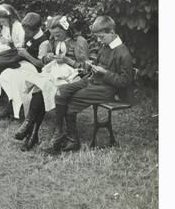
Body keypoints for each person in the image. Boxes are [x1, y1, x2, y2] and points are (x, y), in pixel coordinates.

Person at [44, 16, 134, 153]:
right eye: (97, 37)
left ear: (111, 32)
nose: (98, 40)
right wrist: (91, 65)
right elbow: (98, 65)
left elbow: (125, 82)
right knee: (61, 91)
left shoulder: (122, 52)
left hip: (106, 89)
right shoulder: (105, 46)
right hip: (92, 80)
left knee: (71, 101)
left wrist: (104, 72)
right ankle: (59, 133)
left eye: (101, 37)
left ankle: (72, 140)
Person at [10, 12, 50, 150]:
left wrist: (26, 54)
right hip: (27, 68)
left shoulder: (44, 41)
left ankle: (31, 131)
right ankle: (31, 133)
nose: (26, 33)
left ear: (37, 29)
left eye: (28, 30)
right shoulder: (29, 35)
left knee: (37, 93)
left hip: (37, 71)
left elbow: (41, 64)